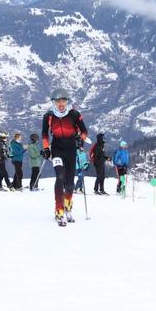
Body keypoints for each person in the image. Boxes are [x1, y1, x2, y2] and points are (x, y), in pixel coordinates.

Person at [41, 88, 88, 226]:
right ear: (53, 103)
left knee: (69, 182)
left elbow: (84, 131)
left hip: (71, 149)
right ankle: (59, 210)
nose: (61, 104)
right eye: (58, 101)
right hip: (57, 149)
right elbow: (44, 134)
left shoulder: (74, 114)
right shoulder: (49, 116)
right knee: (60, 177)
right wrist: (45, 148)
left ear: (67, 102)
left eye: (63, 101)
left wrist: (80, 139)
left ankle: (68, 205)